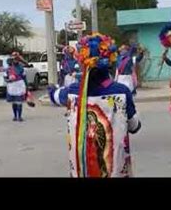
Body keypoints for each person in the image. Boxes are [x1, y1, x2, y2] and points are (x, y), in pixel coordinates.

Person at [48, 33, 141, 177]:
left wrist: (51, 88)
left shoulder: (72, 93)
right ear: (110, 62)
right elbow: (134, 126)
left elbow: (54, 96)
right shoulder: (122, 92)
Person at [4, 54, 27, 122]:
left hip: (19, 85)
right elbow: (5, 77)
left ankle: (19, 116)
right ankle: (15, 116)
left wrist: (26, 86)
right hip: (11, 86)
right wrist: (9, 80)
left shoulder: (21, 68)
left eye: (16, 59)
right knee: (14, 102)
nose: (15, 61)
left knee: (19, 101)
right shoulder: (8, 69)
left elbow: (24, 77)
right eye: (14, 59)